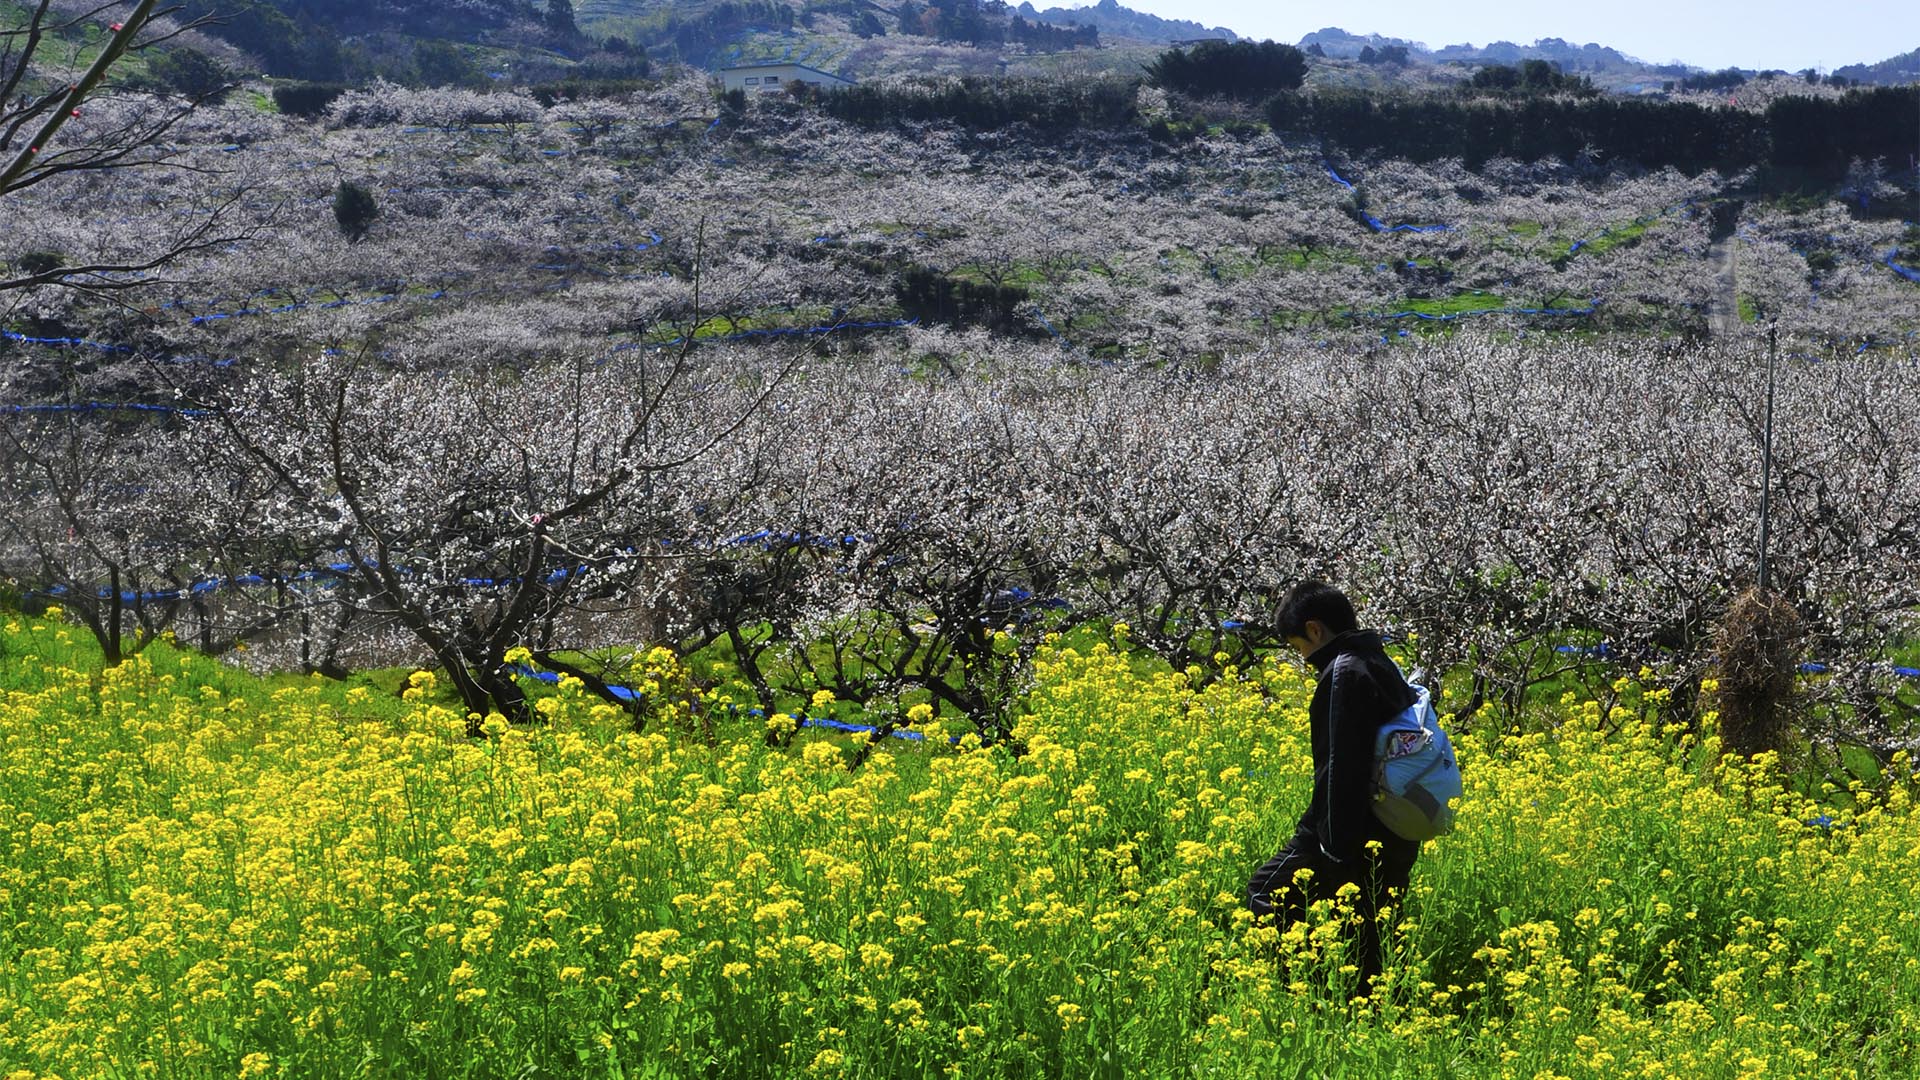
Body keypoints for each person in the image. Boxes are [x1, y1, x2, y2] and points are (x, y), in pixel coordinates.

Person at [1246, 579, 1420, 997]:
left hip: (1350, 831)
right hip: (1397, 822)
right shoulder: (1380, 661)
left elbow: (1339, 768)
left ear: (1314, 630)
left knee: (1266, 895)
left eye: (1298, 646)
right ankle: (1370, 1014)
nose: (1303, 658)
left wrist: (1332, 850)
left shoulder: (1342, 673)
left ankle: (1298, 994)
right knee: (1372, 930)